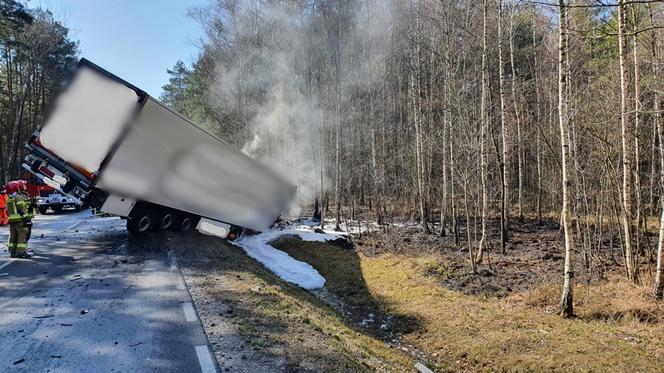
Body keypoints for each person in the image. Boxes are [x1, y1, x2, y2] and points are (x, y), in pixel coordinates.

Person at [6, 181, 33, 259]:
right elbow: (22, 209)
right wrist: (27, 218)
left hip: (12, 220)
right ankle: (22, 252)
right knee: (22, 235)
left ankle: (13, 251)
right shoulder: (19, 197)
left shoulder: (9, 197)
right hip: (20, 220)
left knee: (13, 235)